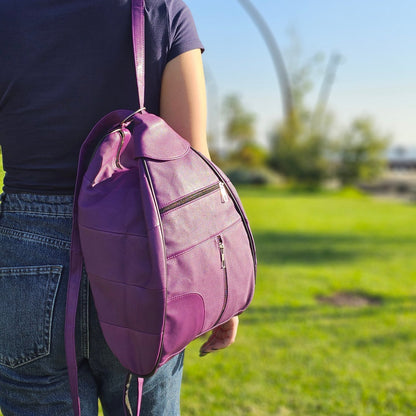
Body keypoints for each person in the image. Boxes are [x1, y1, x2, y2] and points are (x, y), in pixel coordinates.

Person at [0, 0, 238, 415]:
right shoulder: (162, 9)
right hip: (143, 252)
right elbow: (192, 160)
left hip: (25, 257)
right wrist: (219, 286)